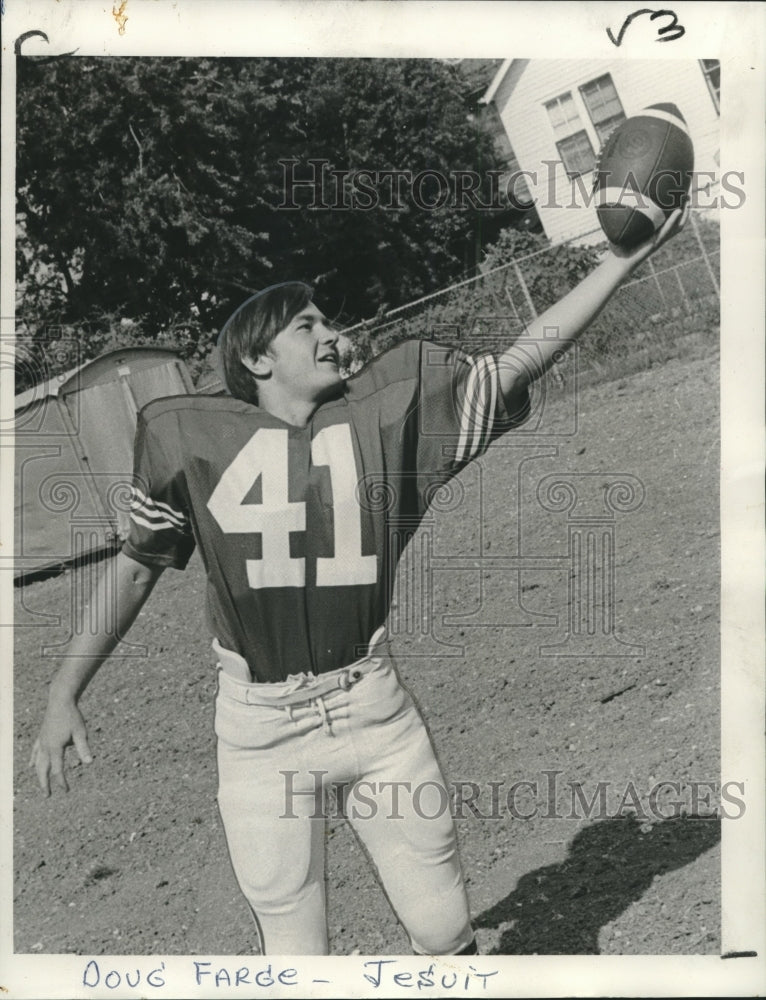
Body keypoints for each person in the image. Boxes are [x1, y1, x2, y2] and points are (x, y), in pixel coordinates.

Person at [31, 208, 686, 956]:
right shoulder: (190, 438)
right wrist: (62, 691)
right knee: (295, 953)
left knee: (443, 930)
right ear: (257, 359)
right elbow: (138, 566)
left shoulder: (385, 415)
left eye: (327, 319)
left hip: (371, 709)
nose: (331, 333)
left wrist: (618, 263)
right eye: (306, 325)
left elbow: (517, 360)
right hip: (259, 732)